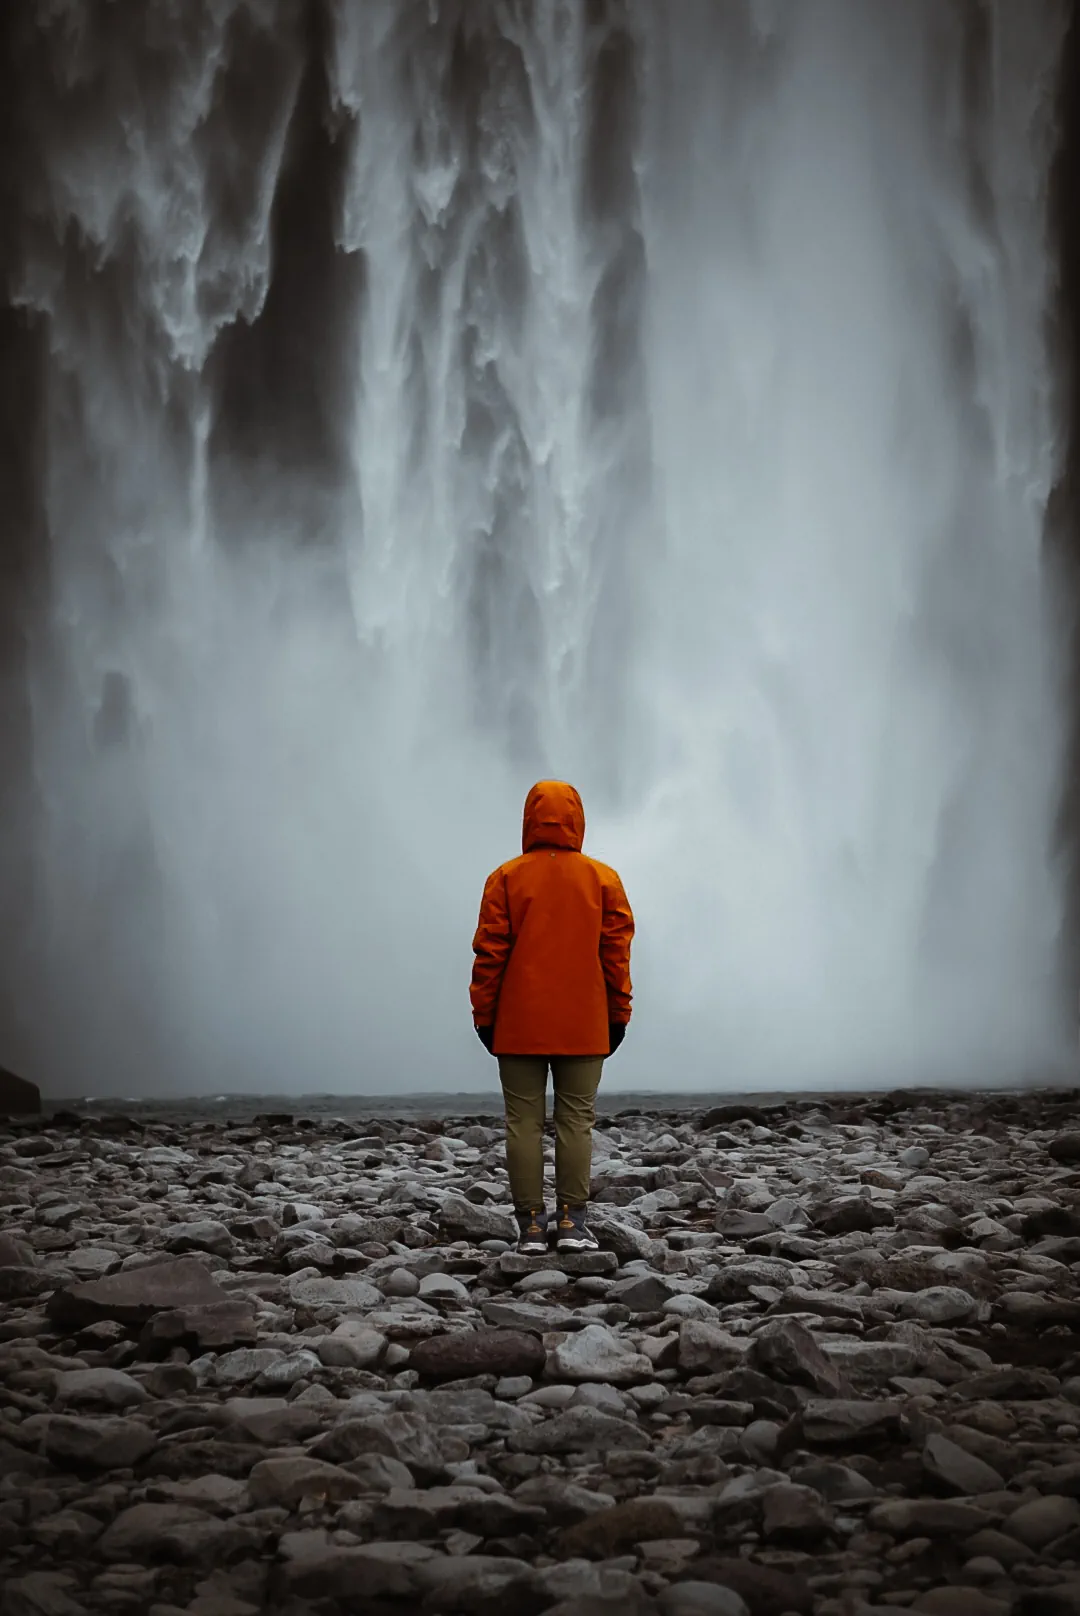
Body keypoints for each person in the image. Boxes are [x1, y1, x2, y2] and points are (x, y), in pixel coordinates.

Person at [470, 779, 634, 1255]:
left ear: (529, 819)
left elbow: (489, 955)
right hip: (585, 1021)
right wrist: (618, 1012)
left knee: (522, 1122)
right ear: (577, 819)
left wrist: (485, 1015)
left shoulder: (505, 877)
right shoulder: (603, 879)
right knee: (575, 1121)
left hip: (518, 1022)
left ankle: (531, 1230)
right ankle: (572, 1223)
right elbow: (616, 954)